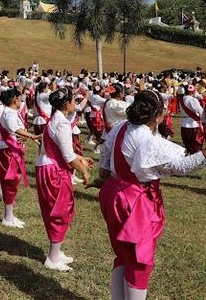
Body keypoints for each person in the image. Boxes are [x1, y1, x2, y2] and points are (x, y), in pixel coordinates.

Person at [96, 91, 206, 300]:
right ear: (157, 115)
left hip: (114, 192)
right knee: (139, 260)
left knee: (123, 254)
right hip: (133, 201)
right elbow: (179, 167)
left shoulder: (121, 127)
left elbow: (105, 150)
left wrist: (103, 175)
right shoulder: (147, 140)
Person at [36, 87, 93, 271]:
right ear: (67, 105)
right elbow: (68, 156)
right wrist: (84, 171)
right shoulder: (61, 123)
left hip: (50, 167)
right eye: (74, 101)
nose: (76, 103)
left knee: (59, 210)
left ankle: (56, 251)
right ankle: (52, 258)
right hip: (54, 171)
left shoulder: (57, 119)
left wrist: (80, 159)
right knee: (59, 211)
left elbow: (64, 150)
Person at [0, 88, 40, 228]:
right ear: (14, 99)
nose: (22, 101)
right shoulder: (9, 114)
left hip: (13, 150)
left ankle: (9, 215)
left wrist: (26, 137)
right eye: (20, 98)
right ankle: (7, 217)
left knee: (13, 182)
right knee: (10, 181)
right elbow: (14, 128)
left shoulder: (12, 112)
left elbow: (17, 131)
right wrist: (32, 136)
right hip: (8, 152)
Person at [179, 85, 203, 154]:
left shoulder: (181, 100)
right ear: (193, 92)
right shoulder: (193, 100)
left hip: (184, 124)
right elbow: (200, 111)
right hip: (193, 124)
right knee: (194, 144)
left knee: (187, 143)